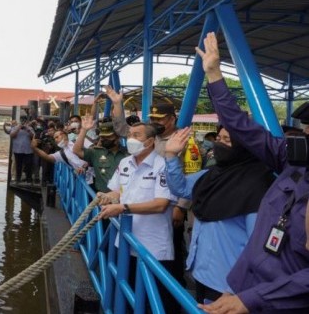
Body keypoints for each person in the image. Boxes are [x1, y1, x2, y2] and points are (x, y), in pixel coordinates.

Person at [196, 31, 309, 313]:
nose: (304, 139)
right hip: (243, 290)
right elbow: (241, 128)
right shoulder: (293, 162)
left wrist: (251, 300)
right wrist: (214, 75)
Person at [164, 126, 273, 303]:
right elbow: (181, 187)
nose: (220, 144)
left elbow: (257, 245)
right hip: (201, 272)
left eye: (227, 140)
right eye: (219, 139)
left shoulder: (258, 186)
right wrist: (170, 155)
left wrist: (234, 289)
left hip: (230, 285)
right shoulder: (211, 174)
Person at [105, 87, 189, 287]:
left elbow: (189, 176)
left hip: (170, 204)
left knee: (170, 260)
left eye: (159, 119)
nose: (155, 122)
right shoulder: (144, 141)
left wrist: (181, 206)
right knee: (133, 277)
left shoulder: (182, 140)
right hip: (138, 216)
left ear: (171, 119)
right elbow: (122, 129)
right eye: (153, 118)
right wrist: (117, 103)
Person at [96, 122, 179, 313]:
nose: (131, 139)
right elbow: (117, 190)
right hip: (124, 241)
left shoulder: (162, 166)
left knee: (150, 302)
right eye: (130, 134)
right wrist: (109, 196)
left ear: (150, 142)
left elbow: (161, 204)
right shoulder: (125, 163)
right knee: (124, 293)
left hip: (152, 247)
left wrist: (123, 208)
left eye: (137, 135)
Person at [73, 117, 128, 193]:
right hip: (103, 198)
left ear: (117, 137)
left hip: (125, 197)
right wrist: (84, 130)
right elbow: (77, 150)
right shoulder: (96, 153)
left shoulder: (128, 153)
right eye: (102, 136)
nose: (104, 139)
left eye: (108, 136)